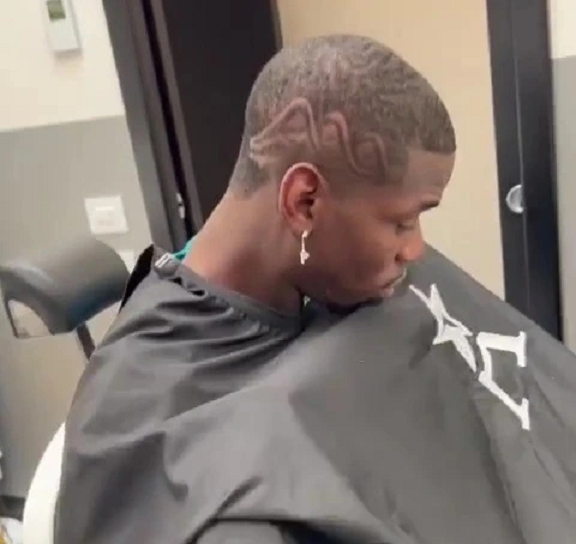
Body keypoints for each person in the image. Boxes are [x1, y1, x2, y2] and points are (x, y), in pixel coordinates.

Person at [56, 34, 566, 543]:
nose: (414, 251)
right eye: (402, 222)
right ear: (304, 203)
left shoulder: (337, 279)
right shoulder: (136, 416)